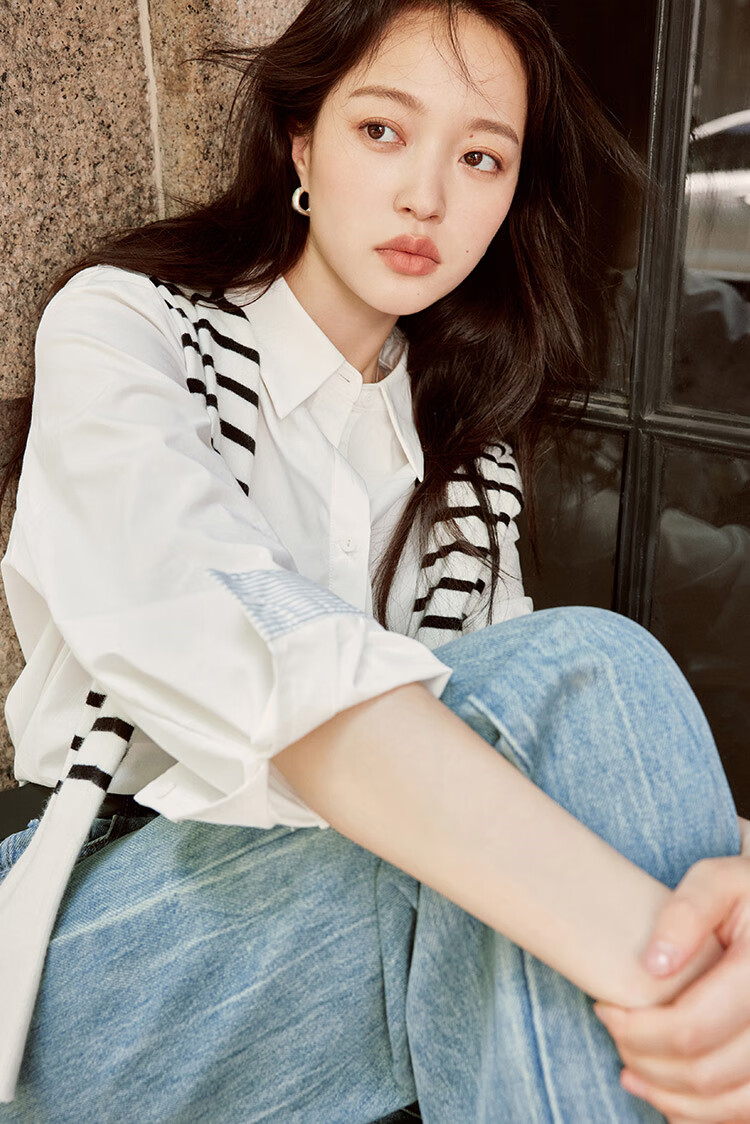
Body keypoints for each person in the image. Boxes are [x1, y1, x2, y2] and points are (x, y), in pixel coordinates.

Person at [0, 0, 748, 1120]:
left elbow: (539, 762)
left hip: (352, 932)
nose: (427, 198)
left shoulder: (466, 454)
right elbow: (222, 633)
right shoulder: (129, 327)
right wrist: (672, 961)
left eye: (481, 158)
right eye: (383, 131)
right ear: (302, 142)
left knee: (575, 723)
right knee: (593, 670)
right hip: (100, 940)